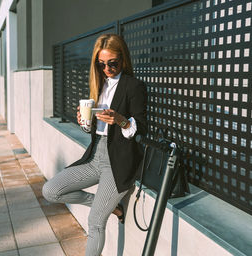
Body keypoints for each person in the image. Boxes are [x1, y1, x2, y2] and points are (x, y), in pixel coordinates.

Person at [42, 33, 147, 256]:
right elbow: (93, 129)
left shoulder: (133, 86)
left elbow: (142, 129)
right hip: (95, 156)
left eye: (112, 63)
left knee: (95, 222)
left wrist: (121, 120)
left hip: (118, 162)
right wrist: (84, 122)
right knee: (50, 190)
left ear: (123, 59)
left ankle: (107, 208)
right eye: (101, 64)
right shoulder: (99, 85)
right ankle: (114, 208)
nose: (107, 69)